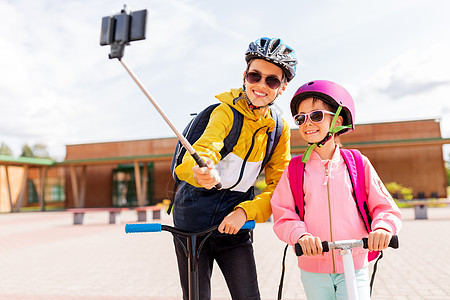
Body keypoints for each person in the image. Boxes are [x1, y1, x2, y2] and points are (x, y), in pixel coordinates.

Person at [172, 37, 298, 300]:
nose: (261, 85)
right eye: (255, 76)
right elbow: (204, 149)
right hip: (193, 219)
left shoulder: (279, 128)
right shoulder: (225, 112)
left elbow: (281, 187)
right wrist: (200, 170)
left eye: (272, 80)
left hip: (236, 221)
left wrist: (245, 211)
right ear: (245, 76)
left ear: (282, 88)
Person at [270, 80, 402, 300]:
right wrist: (300, 235)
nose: (307, 123)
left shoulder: (358, 163)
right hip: (313, 267)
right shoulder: (295, 169)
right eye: (300, 118)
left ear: (338, 120)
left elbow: (385, 208)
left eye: (316, 115)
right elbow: (283, 214)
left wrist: (383, 229)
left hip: (355, 262)